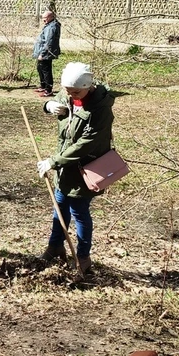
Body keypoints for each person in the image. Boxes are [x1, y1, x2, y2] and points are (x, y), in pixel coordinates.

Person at [36, 62, 115, 275]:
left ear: (88, 86)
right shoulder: (71, 93)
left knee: (78, 211)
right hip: (65, 167)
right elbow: (57, 103)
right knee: (59, 205)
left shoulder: (101, 109)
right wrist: (49, 106)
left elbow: (85, 144)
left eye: (76, 92)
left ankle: (83, 257)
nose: (71, 95)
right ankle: (55, 247)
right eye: (67, 91)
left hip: (85, 167)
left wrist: (53, 161)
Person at [32, 10, 61, 97]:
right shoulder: (49, 25)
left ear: (51, 17)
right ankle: (43, 86)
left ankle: (48, 89)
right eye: (43, 18)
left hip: (46, 52)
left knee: (46, 70)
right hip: (42, 51)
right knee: (40, 68)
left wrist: (43, 54)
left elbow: (49, 42)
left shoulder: (52, 27)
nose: (43, 20)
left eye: (45, 18)